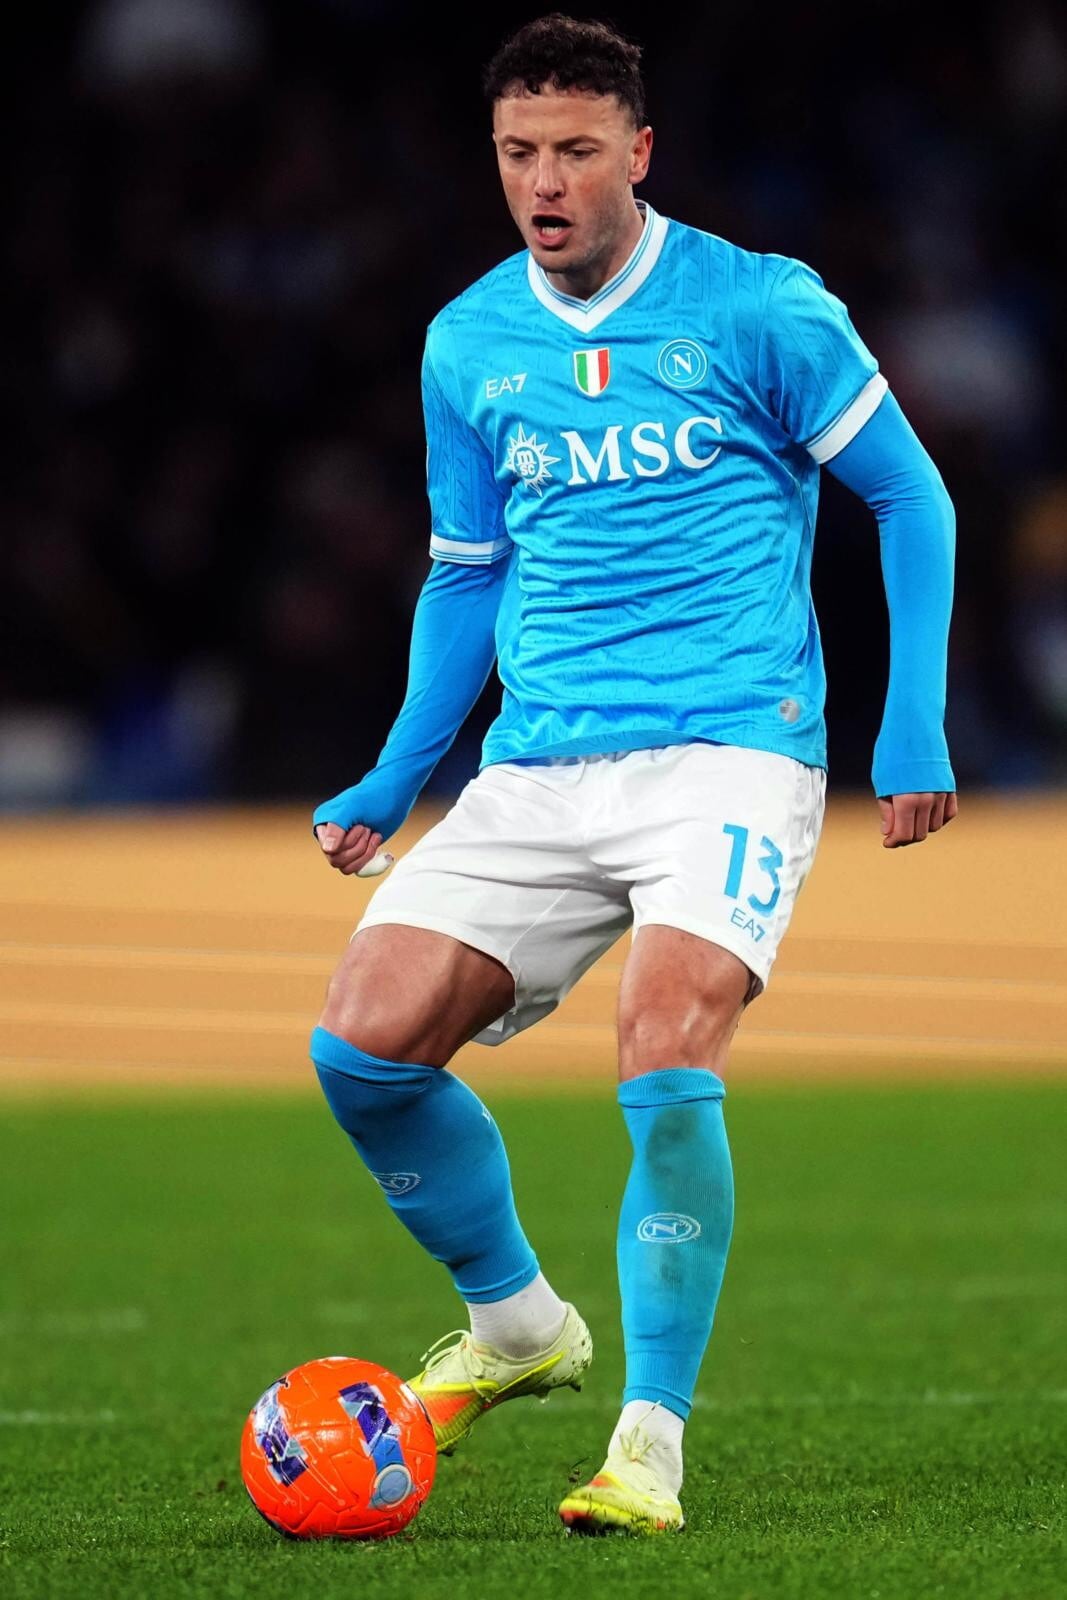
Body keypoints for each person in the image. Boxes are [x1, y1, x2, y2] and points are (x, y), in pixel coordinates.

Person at [309, 13, 957, 1535]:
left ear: (640, 152)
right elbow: (467, 573)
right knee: (364, 1048)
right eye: (518, 153)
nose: (545, 182)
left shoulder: (760, 307)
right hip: (541, 764)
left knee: (663, 1042)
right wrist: (396, 773)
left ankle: (648, 1443)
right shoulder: (468, 342)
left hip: (730, 751)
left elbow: (910, 498)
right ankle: (519, 1328)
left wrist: (912, 726)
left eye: (577, 151)